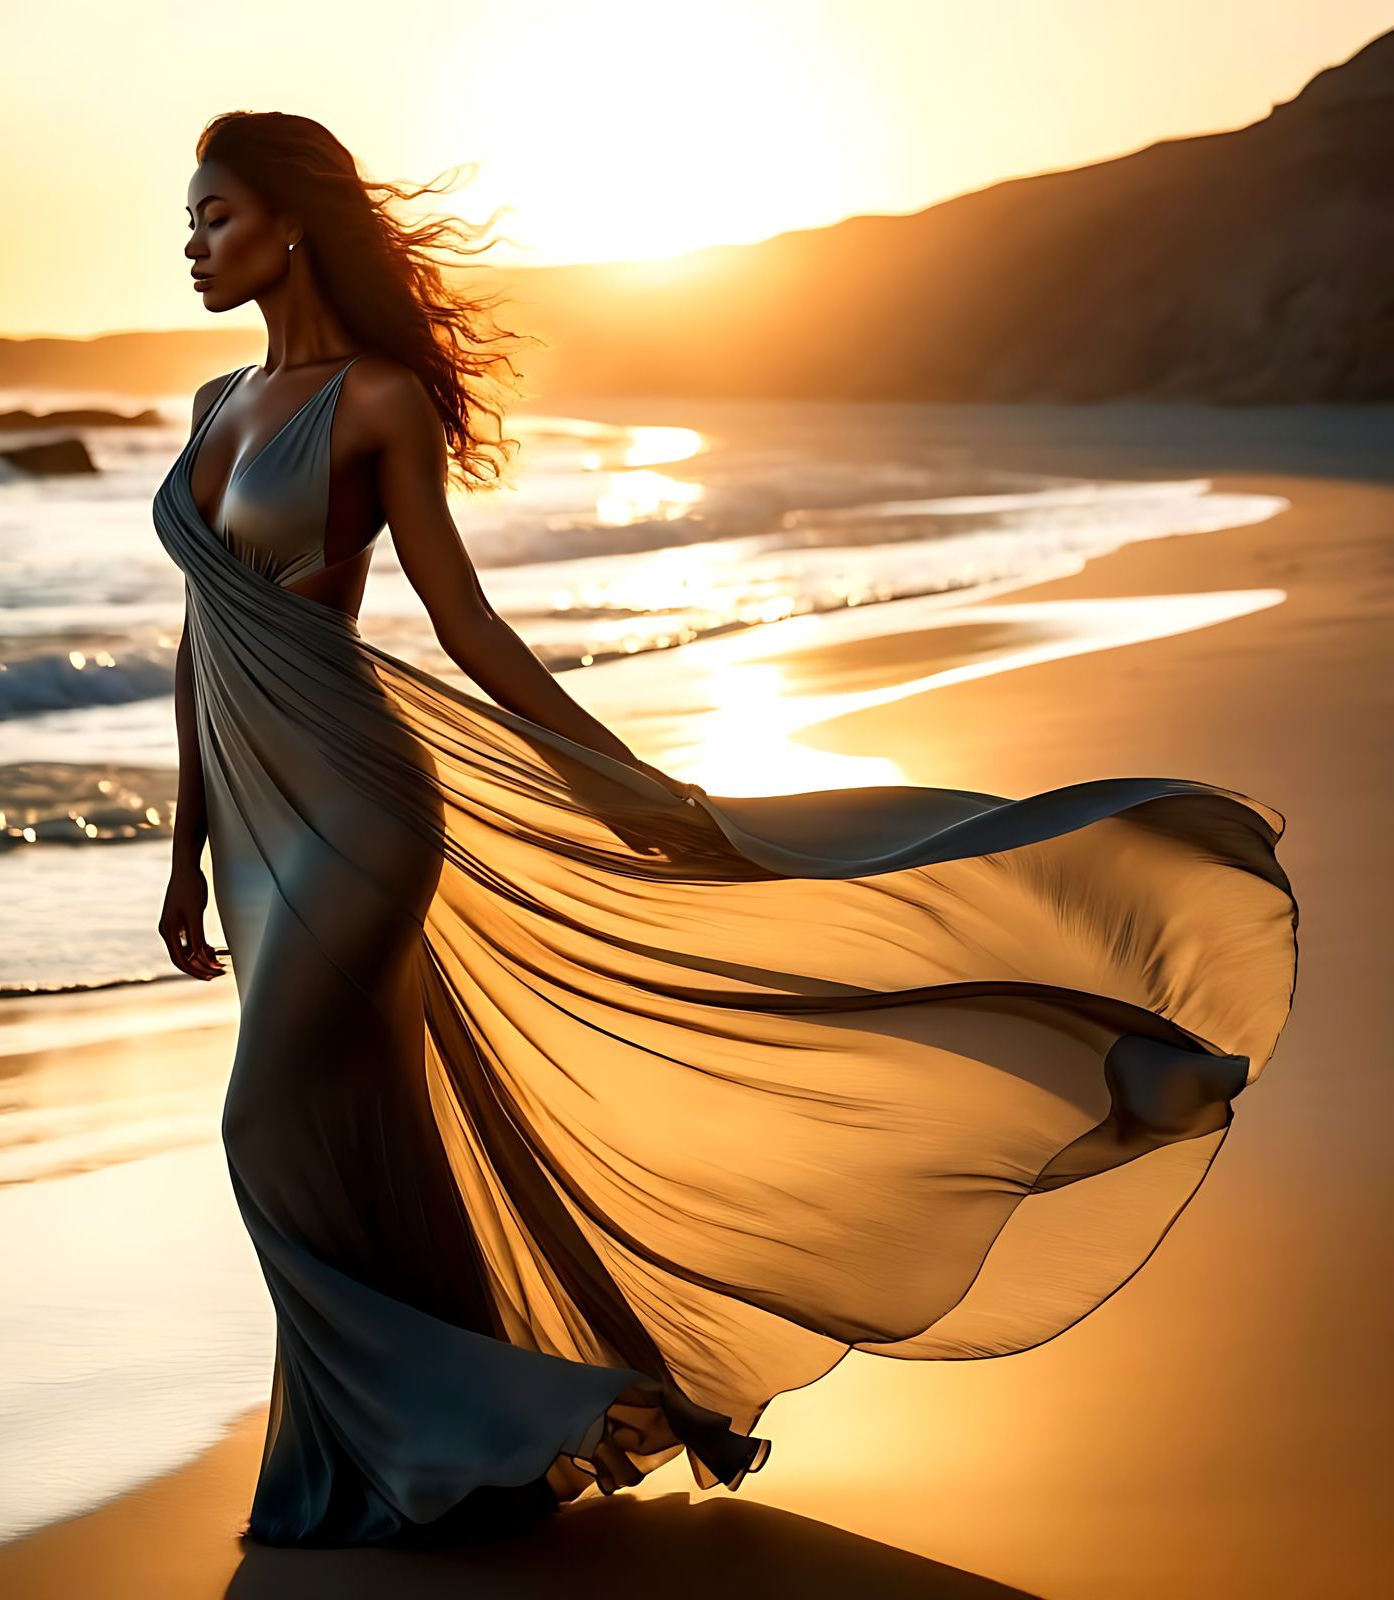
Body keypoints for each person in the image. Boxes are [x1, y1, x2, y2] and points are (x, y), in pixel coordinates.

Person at [154, 111, 1297, 1551]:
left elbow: (465, 626)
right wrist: (185, 845)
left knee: (264, 1123)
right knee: (356, 1133)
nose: (191, 245)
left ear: (293, 223)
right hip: (252, 829)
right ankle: (430, 1460)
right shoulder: (211, 407)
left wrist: (621, 783)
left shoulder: (374, 400)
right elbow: (198, 637)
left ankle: (461, 1427)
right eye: (189, 224)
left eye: (214, 216)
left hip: (360, 811)